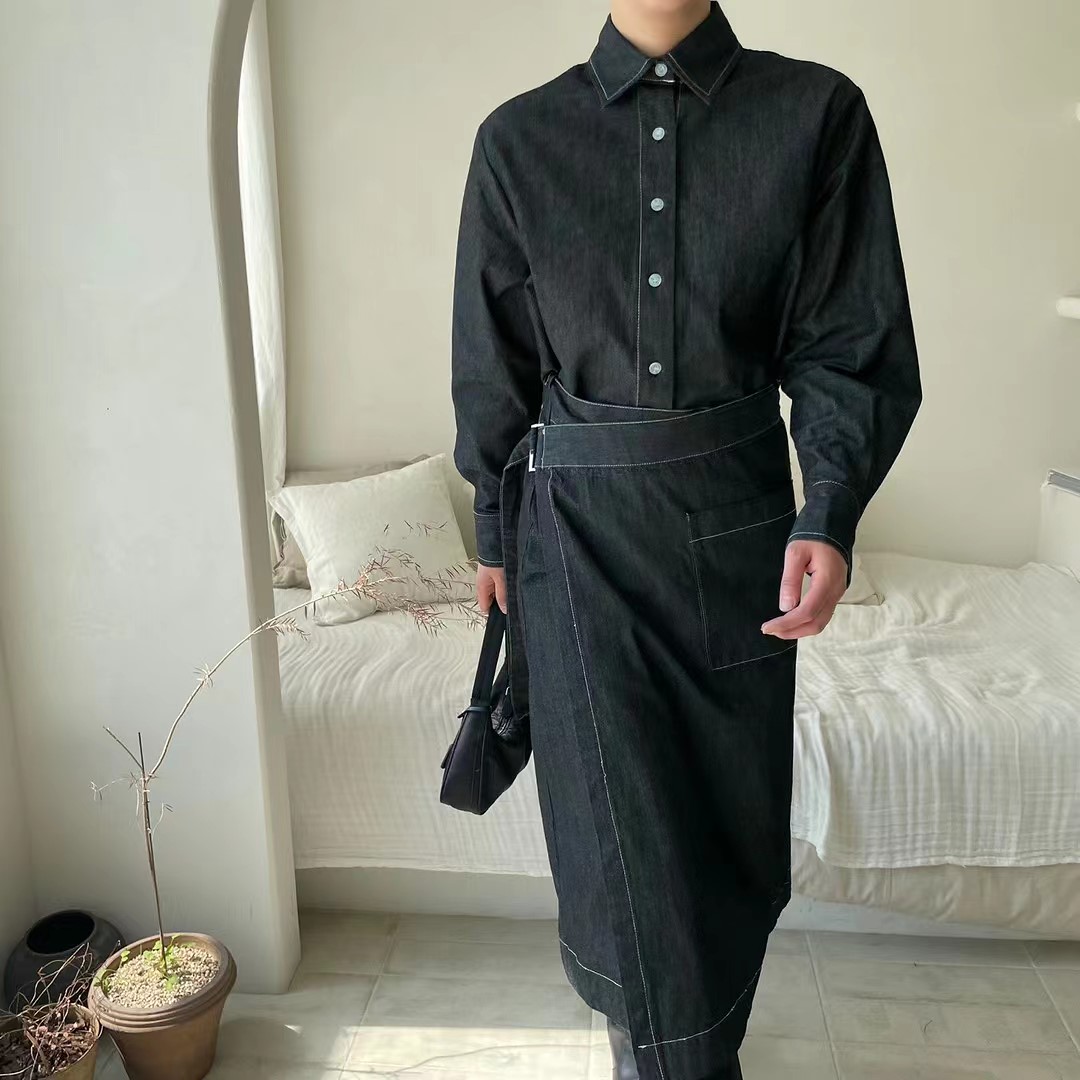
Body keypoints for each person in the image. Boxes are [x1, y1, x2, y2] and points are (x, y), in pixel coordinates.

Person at [450, 1, 921, 1076]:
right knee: (623, 859)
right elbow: (493, 362)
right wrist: (494, 530)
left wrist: (830, 508)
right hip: (577, 547)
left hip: (739, 536)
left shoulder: (817, 115)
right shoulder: (518, 140)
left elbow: (852, 343)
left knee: (721, 845)